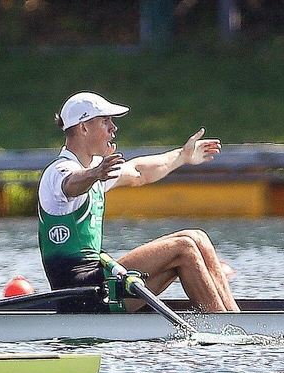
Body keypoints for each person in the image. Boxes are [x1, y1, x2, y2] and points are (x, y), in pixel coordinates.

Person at [38, 91, 239, 313]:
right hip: (79, 295)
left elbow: (139, 171)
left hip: (100, 283)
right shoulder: (58, 172)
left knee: (197, 237)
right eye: (105, 121)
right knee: (184, 248)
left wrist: (182, 156)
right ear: (83, 128)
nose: (113, 128)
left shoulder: (97, 169)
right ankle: (222, 326)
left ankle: (234, 318)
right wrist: (95, 174)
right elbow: (71, 184)